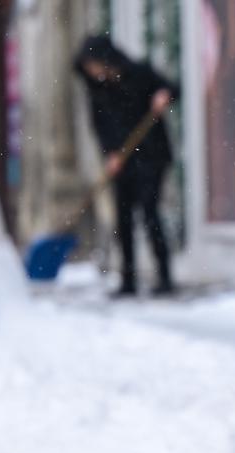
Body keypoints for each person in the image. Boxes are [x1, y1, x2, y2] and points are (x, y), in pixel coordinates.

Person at [74, 35, 179, 298]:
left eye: (94, 65)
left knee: (149, 212)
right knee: (123, 218)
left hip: (152, 156)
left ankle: (164, 276)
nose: (93, 72)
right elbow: (99, 126)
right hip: (122, 161)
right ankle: (128, 280)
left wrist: (164, 96)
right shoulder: (96, 90)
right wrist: (109, 154)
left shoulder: (139, 74)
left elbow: (173, 89)